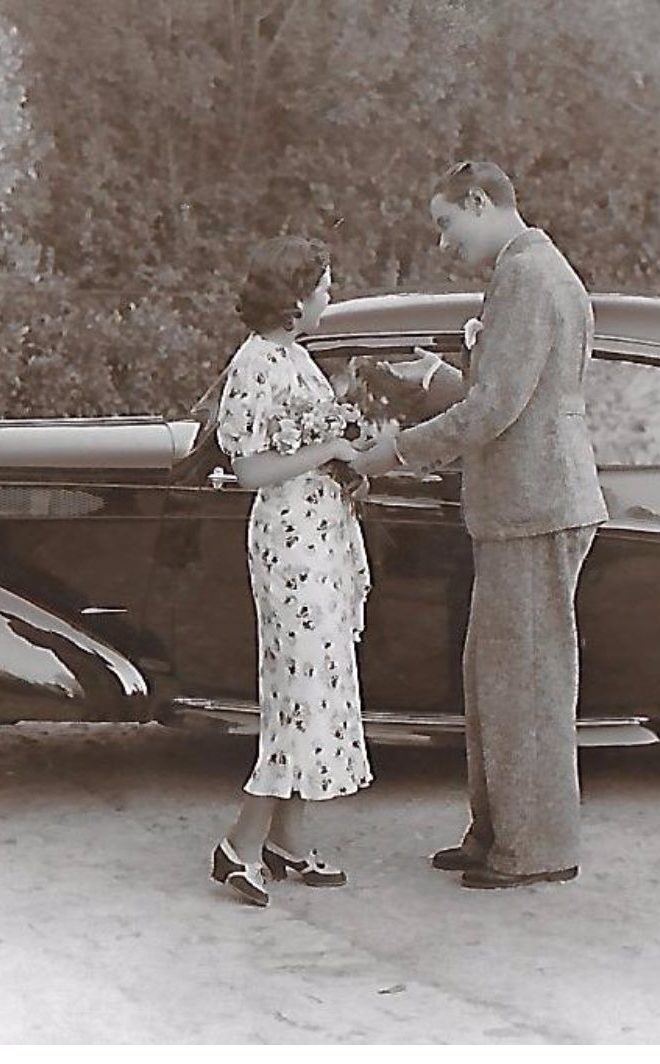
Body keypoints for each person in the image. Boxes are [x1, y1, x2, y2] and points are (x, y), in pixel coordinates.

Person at [351, 160, 607, 889]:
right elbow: (512, 397)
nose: (443, 242)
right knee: (500, 676)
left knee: (523, 680)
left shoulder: (526, 278)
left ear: (480, 202)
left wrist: (390, 451)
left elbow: (494, 408)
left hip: (533, 504)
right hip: (525, 502)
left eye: (446, 223)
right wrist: (437, 382)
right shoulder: (535, 272)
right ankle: (500, 832)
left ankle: (532, 850)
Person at [209, 236, 374, 907]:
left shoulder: (292, 357)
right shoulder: (255, 365)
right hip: (290, 544)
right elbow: (250, 470)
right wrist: (330, 447)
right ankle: (238, 846)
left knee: (315, 687)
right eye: (324, 286)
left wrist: (341, 456)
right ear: (295, 297)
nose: (329, 296)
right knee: (299, 692)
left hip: (320, 537)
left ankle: (289, 841)